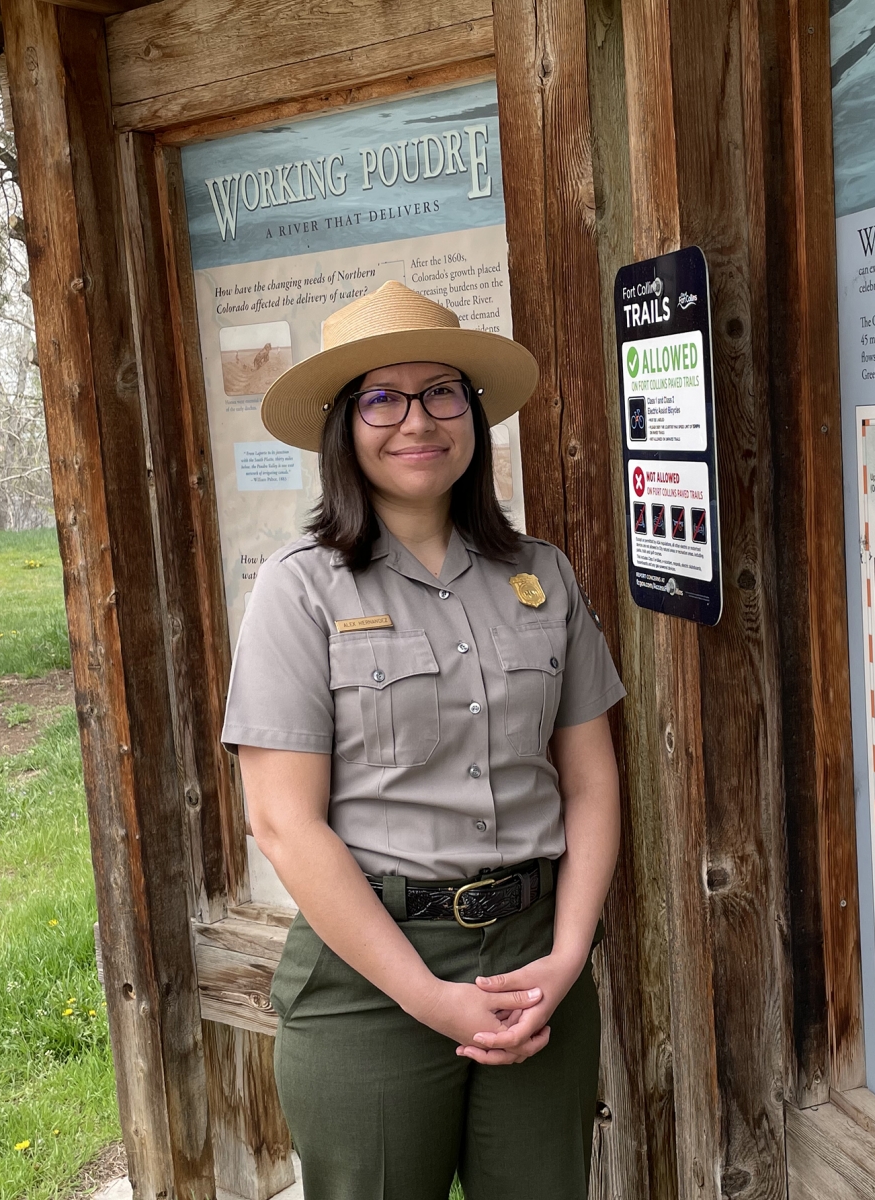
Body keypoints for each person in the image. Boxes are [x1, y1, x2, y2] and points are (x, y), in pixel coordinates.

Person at [221, 281, 626, 1200]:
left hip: (536, 960)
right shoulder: (302, 589)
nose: (418, 420)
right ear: (344, 425)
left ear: (473, 416)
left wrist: (566, 959)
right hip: (371, 978)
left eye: (443, 392)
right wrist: (426, 996)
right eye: (383, 398)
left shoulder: (542, 576)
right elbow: (285, 824)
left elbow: (593, 785)